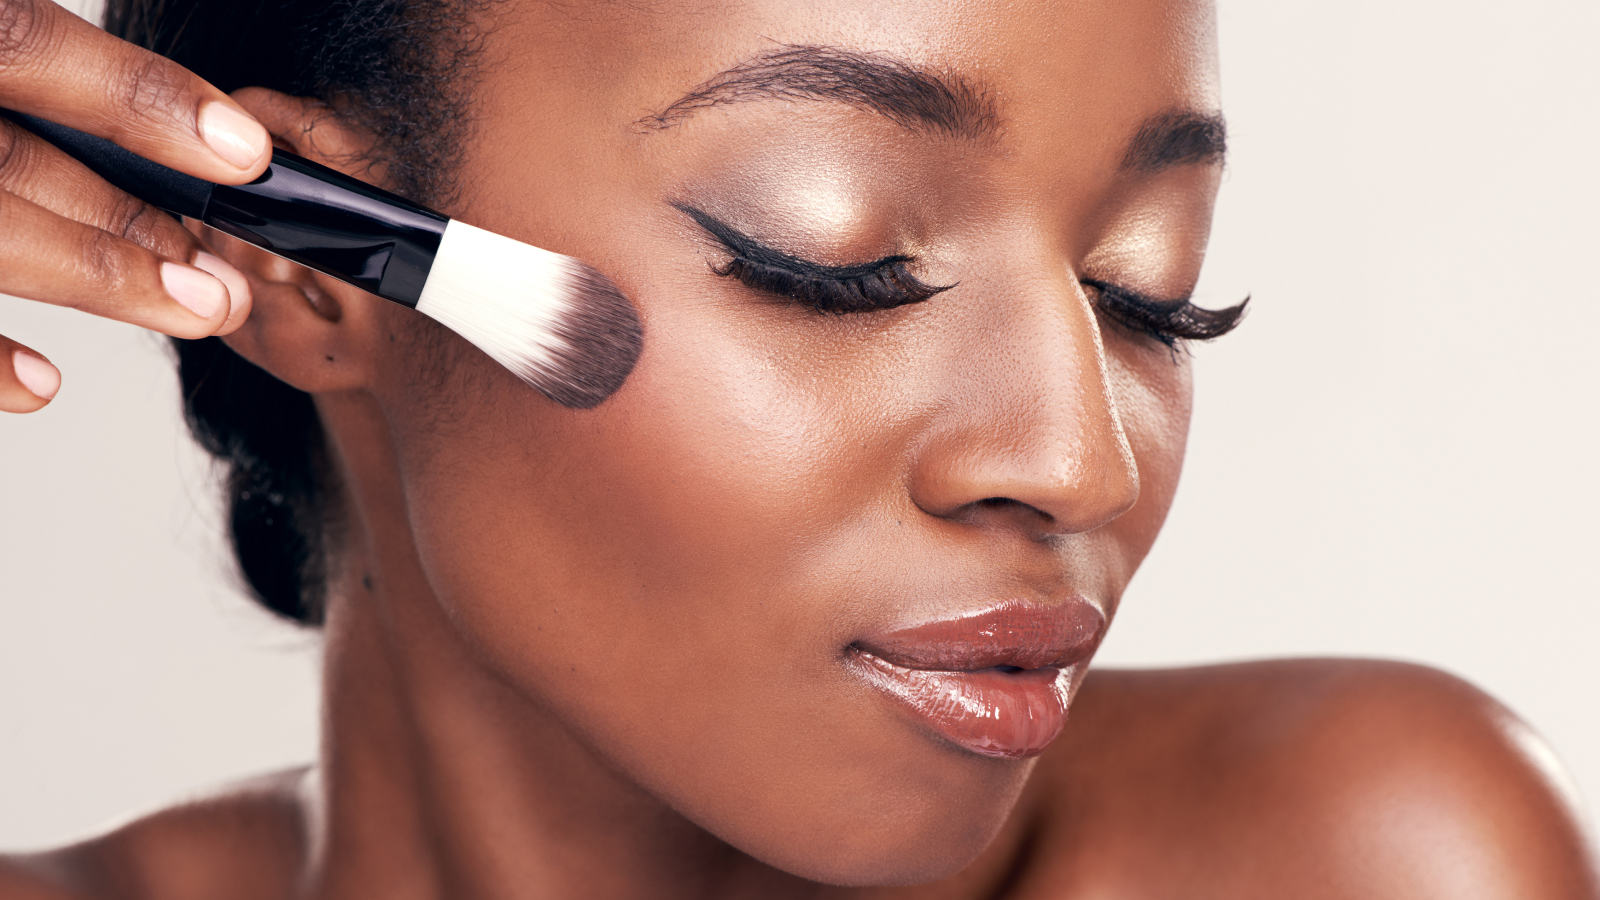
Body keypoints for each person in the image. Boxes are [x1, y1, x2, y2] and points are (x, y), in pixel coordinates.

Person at [1, 0, 1595, 896]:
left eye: (1149, 292)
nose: (1080, 460)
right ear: (300, 265)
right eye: (832, 262)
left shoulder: (1355, 856)